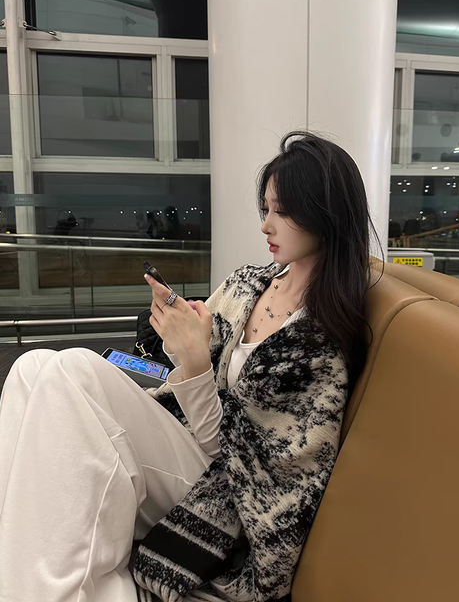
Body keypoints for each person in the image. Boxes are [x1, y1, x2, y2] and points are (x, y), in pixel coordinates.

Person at [0, 132, 377, 602]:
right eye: (265, 209)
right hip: (187, 438)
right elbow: (193, 361)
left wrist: (196, 363)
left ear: (325, 214)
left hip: (223, 490)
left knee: (68, 371)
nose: (266, 224)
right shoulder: (247, 284)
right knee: (32, 366)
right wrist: (178, 336)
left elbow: (261, 478)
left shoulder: (319, 342)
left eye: (282, 211)